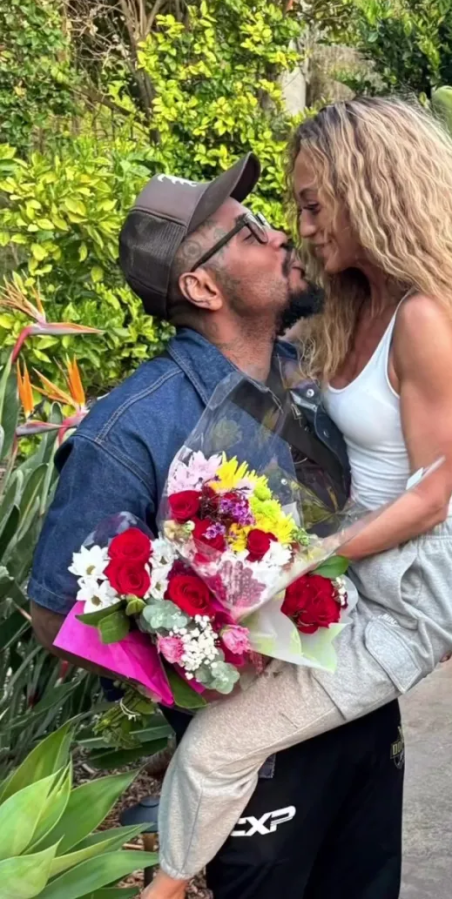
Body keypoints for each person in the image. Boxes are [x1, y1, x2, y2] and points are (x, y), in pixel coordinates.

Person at [144, 97, 452, 899]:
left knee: (215, 745)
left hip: (397, 587)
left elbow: (432, 495)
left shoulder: (422, 316)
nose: (302, 227)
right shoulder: (355, 303)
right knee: (214, 659)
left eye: (313, 204)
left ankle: (163, 889)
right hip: (351, 572)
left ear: (371, 189)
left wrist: (310, 560)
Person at [28, 153, 405, 899]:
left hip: (362, 711)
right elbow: (53, 612)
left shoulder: (310, 374)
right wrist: (196, 663)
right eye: (249, 232)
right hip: (260, 763)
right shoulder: (132, 429)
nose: (277, 239)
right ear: (201, 285)